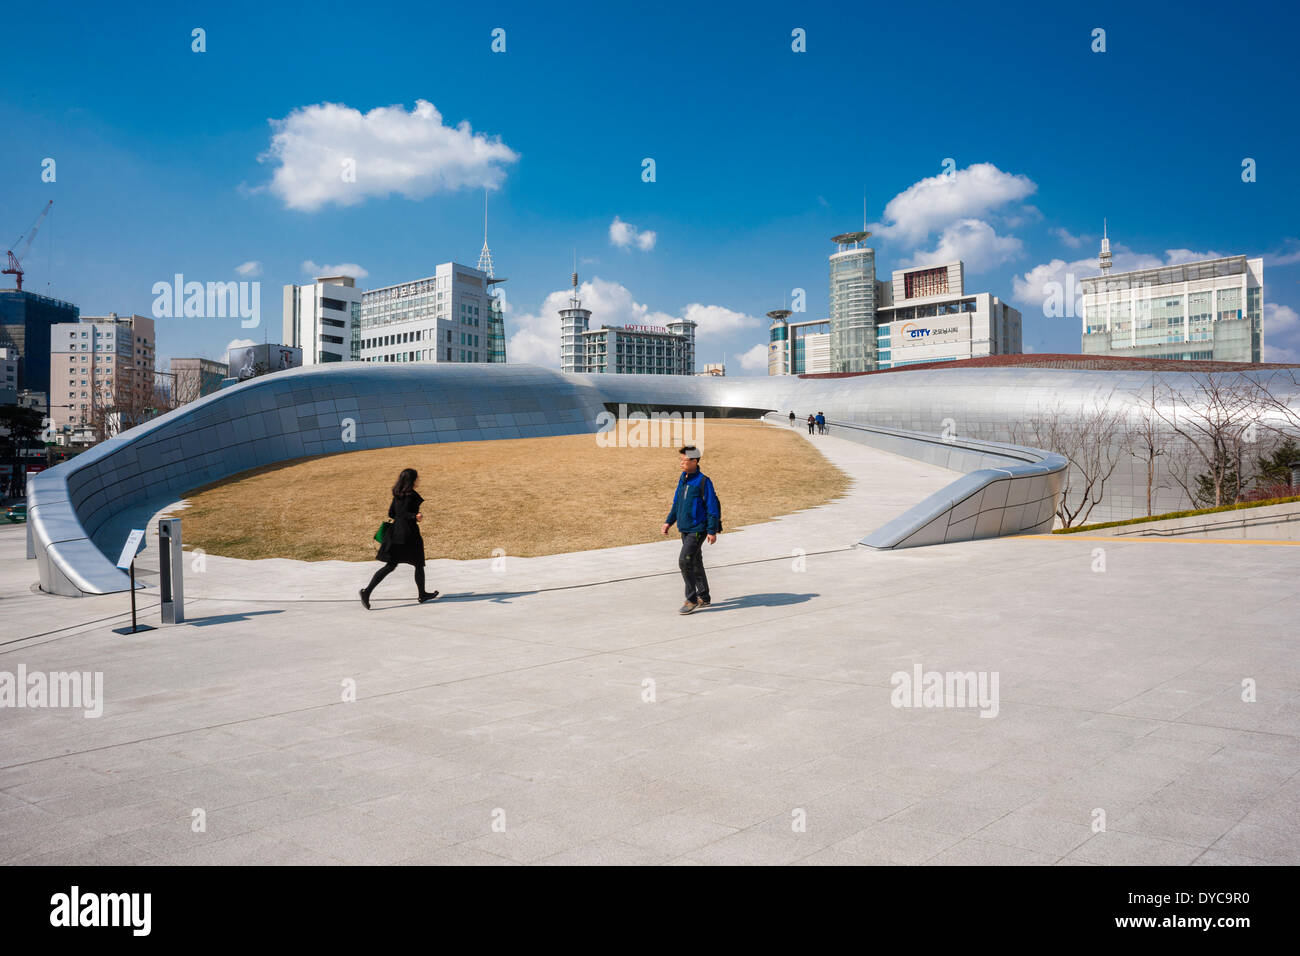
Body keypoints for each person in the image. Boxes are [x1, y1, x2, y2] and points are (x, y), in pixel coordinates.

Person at [360, 467, 438, 608]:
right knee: (418, 564)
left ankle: (367, 591)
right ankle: (422, 594)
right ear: (412, 480)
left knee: (391, 565)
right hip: (409, 534)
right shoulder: (412, 496)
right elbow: (404, 514)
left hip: (395, 534)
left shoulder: (397, 494)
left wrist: (408, 515)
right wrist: (415, 516)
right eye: (417, 477)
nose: (418, 479)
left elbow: (392, 513)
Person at [660, 445, 721, 614]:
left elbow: (712, 507)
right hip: (685, 528)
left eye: (684, 460)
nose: (681, 463)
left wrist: (711, 530)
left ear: (694, 461)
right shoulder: (683, 479)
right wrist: (668, 522)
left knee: (684, 561)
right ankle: (704, 596)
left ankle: (691, 599)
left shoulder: (703, 481)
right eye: (680, 460)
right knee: (694, 561)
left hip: (698, 529)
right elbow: (677, 504)